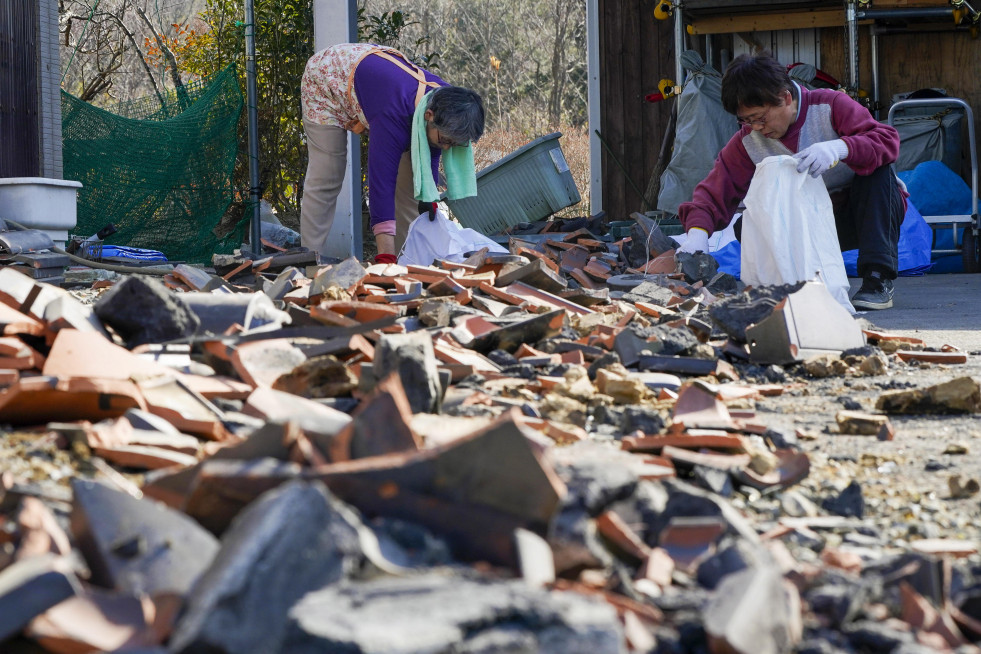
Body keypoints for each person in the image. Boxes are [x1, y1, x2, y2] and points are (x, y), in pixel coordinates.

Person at [676, 52, 905, 310]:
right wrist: (697, 233)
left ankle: (877, 279)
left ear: (785, 98)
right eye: (747, 121)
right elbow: (715, 189)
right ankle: (788, 287)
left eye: (761, 118)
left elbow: (886, 140)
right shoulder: (747, 142)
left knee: (878, 172)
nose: (757, 128)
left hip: (862, 217)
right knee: (746, 225)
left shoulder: (831, 105)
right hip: (805, 229)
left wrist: (840, 148)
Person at [300, 43, 485, 264]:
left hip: (378, 84)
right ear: (428, 115)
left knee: (410, 191)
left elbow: (429, 158)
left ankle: (408, 263)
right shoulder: (393, 113)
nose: (447, 148)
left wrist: (429, 200)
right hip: (326, 78)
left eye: (454, 144)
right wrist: (384, 256)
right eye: (445, 141)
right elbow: (380, 184)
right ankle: (308, 260)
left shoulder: (449, 100)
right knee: (328, 174)